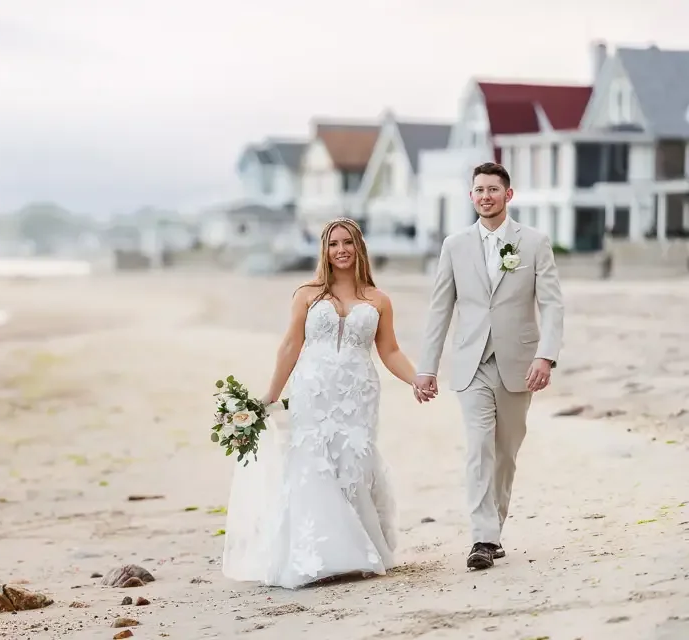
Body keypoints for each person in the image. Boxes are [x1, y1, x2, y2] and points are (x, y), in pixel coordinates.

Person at [221, 217, 419, 589]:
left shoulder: (378, 300)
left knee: (354, 464)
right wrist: (271, 394)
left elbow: (390, 350)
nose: (340, 250)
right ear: (324, 250)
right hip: (314, 390)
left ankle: (358, 549)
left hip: (358, 391)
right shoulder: (307, 294)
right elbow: (290, 346)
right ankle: (320, 554)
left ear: (360, 247)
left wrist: (417, 379)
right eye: (332, 244)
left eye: (347, 243)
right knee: (313, 464)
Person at [414, 162, 564, 571]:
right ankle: (482, 538)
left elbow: (551, 304)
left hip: (519, 362)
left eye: (493, 189)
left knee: (506, 451)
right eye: (478, 189)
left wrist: (546, 356)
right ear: (471, 196)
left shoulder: (534, 243)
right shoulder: (454, 245)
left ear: (508, 195)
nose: (485, 196)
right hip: (470, 363)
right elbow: (439, 309)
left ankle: (493, 527)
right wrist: (427, 367)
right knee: (479, 446)